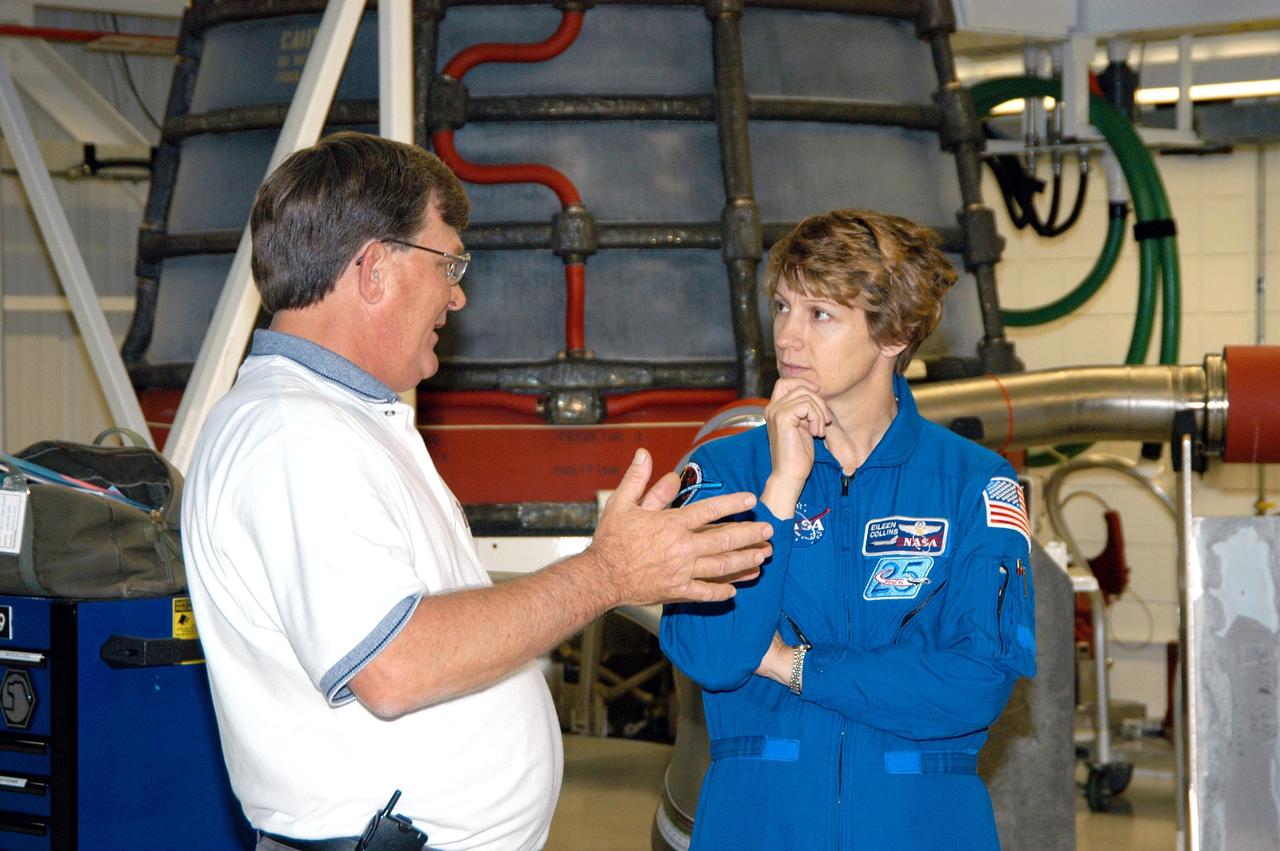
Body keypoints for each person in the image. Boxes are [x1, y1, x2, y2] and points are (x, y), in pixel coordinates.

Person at [181, 131, 774, 850]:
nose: (457, 294)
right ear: (372, 268)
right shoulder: (292, 433)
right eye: (448, 261)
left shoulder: (337, 420)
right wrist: (606, 573)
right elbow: (393, 665)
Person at [660, 209, 1037, 849]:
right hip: (758, 823)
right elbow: (714, 657)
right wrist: (778, 495)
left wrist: (792, 665)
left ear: (893, 333)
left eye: (820, 315)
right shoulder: (725, 472)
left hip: (926, 825)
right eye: (782, 307)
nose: (787, 337)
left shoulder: (974, 482)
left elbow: (976, 685)